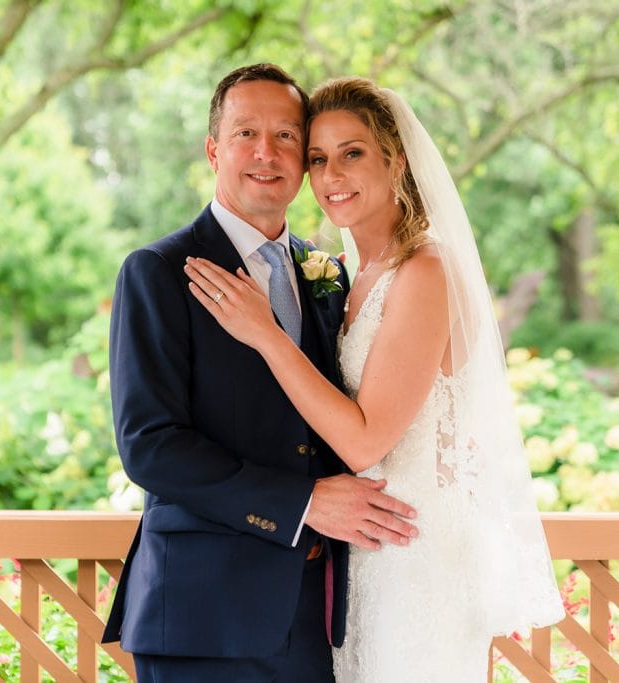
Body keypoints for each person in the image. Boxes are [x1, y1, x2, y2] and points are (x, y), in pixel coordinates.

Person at [185, 76, 566, 680]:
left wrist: (265, 333)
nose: (332, 175)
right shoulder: (347, 275)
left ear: (398, 162)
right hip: (361, 558)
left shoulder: (424, 271)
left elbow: (364, 442)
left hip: (417, 559)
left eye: (352, 154)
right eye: (318, 159)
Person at [101, 64, 419, 683]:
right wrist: (302, 502)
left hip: (314, 618)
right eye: (247, 133)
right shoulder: (158, 272)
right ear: (214, 148)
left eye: (286, 137)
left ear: (304, 160)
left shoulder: (327, 275)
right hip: (202, 615)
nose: (266, 153)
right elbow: (150, 447)